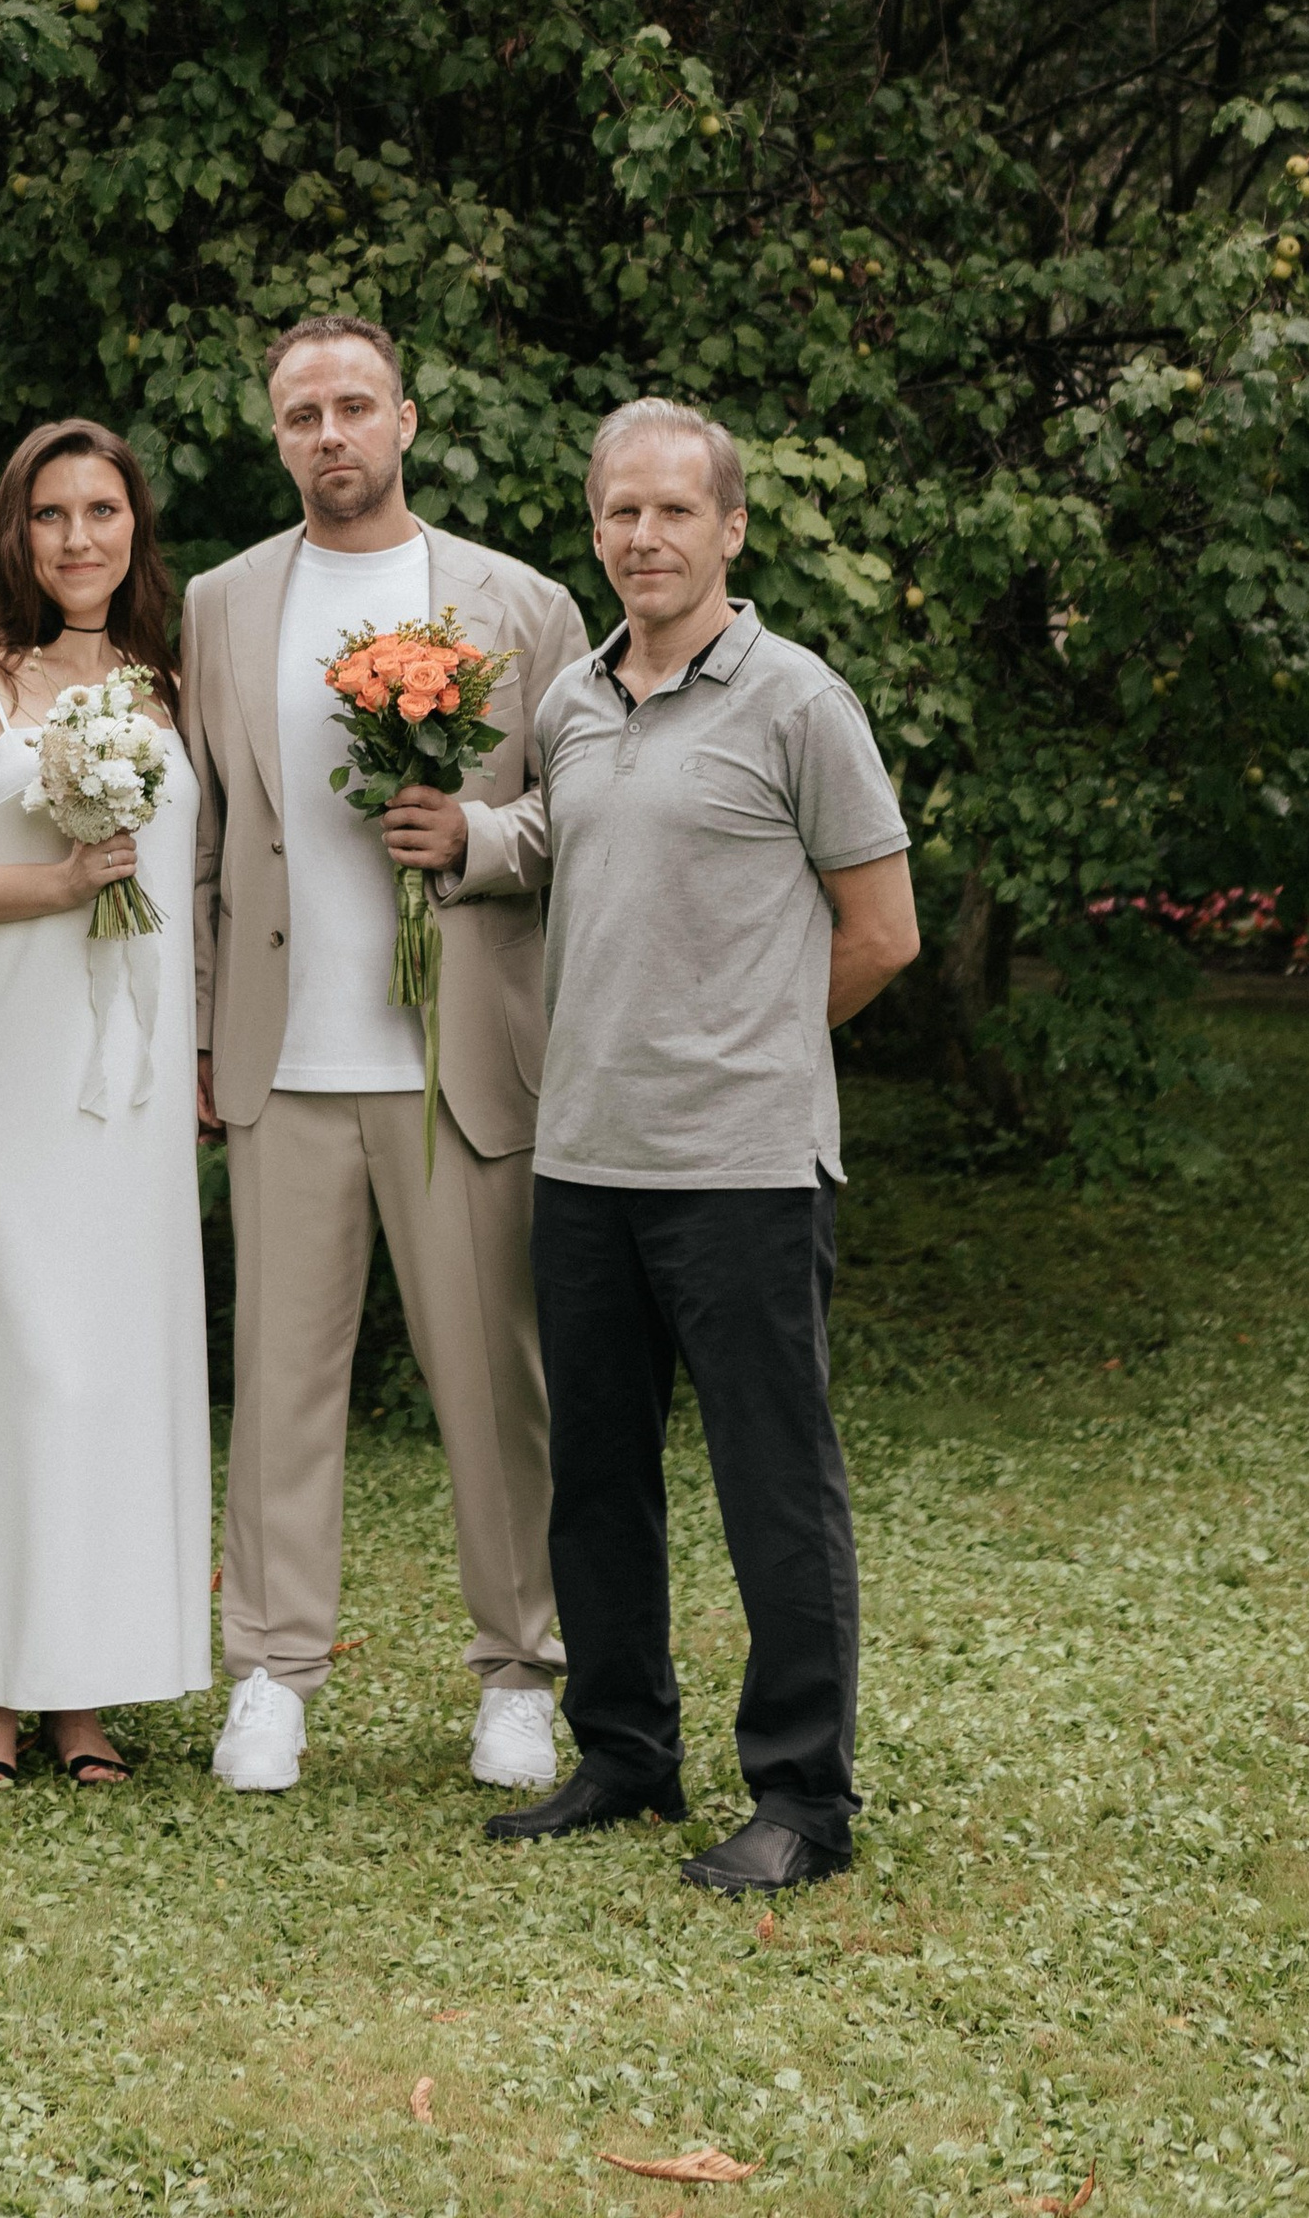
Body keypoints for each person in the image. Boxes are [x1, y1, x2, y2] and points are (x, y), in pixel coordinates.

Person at [486, 397, 918, 1894]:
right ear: (596, 526)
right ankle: (626, 1756)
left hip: (741, 1169)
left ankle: (803, 1798)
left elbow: (884, 931)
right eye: (622, 510)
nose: (645, 535)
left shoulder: (799, 701)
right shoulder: (572, 699)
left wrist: (753, 1044)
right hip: (582, 1159)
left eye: (675, 509)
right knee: (596, 1480)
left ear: (731, 527)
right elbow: (566, 855)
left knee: (773, 1488)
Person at [183, 313, 588, 1799]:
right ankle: (271, 1674)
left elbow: (588, 806)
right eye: (304, 414)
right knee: (278, 1386)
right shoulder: (223, 604)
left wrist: (475, 836)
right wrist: (201, 1032)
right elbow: (207, 836)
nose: (331, 434)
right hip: (283, 1059)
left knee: (495, 1386)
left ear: (406, 420)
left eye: (356, 406)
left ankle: (520, 1675)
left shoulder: (520, 601)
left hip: (461, 1063)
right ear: (277, 434)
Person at [0, 420, 209, 1786]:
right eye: (51, 513)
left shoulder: (169, 683)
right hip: (1, 1062)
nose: (79, 538)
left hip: (131, 1080)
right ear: (16, 533)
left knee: (112, 1374)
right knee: (7, 1367)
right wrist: (54, 884)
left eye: (103, 511)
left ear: (136, 530)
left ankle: (86, 1696)